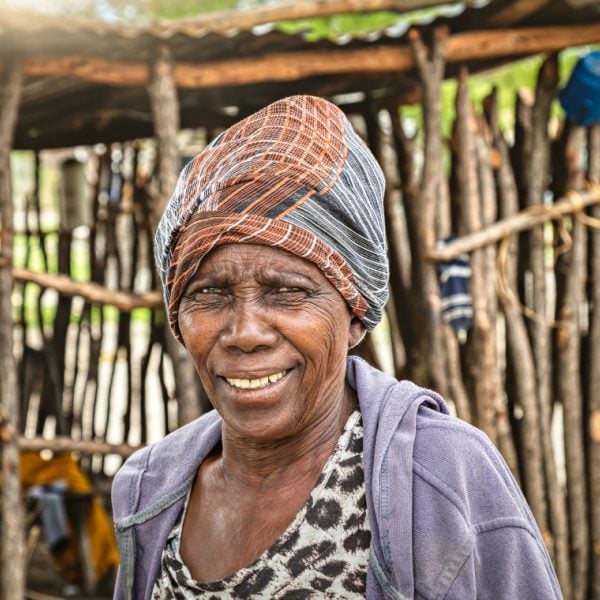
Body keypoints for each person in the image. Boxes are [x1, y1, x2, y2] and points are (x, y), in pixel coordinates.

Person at [111, 95, 562, 599]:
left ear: (355, 314)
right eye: (208, 293)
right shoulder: (149, 491)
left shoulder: (440, 480)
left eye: (288, 292)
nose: (244, 332)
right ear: (177, 314)